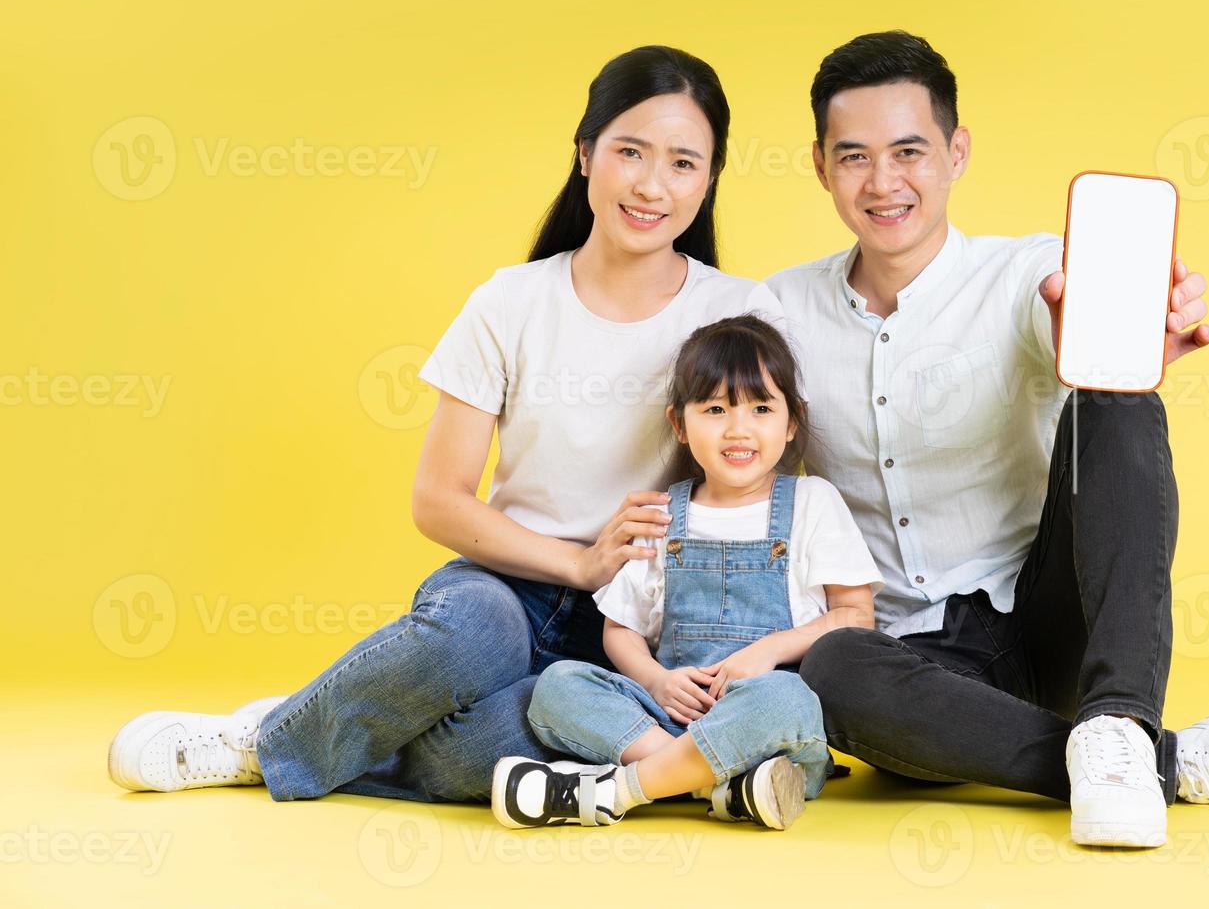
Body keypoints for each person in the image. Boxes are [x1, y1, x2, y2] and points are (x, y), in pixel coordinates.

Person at [105, 45, 788, 805]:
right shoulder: (510, 302)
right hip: (509, 587)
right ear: (586, 152)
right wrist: (577, 565)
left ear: (711, 177)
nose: (652, 185)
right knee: (475, 631)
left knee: (485, 748)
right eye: (631, 151)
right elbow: (439, 498)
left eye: (684, 163)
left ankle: (304, 726)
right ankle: (264, 742)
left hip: (642, 628)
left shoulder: (740, 313)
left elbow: (771, 485)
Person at [767, 31, 1209, 848]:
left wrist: (1115, 336)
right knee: (830, 669)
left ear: (956, 152)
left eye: (909, 151)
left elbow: (1060, 310)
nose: (884, 182)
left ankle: (1116, 717)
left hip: (1048, 615)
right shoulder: (779, 311)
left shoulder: (1024, 271)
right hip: (920, 674)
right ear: (821, 166)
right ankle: (1162, 760)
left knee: (1115, 393)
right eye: (855, 157)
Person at [492, 315, 881, 831]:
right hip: (670, 717)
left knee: (787, 699)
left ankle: (624, 789)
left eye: (761, 408)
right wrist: (656, 681)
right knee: (559, 683)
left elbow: (856, 616)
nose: (738, 429)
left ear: (791, 422)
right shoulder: (662, 515)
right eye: (715, 409)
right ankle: (713, 782)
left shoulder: (813, 502)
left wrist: (767, 652)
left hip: (763, 719)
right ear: (680, 424)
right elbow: (621, 630)